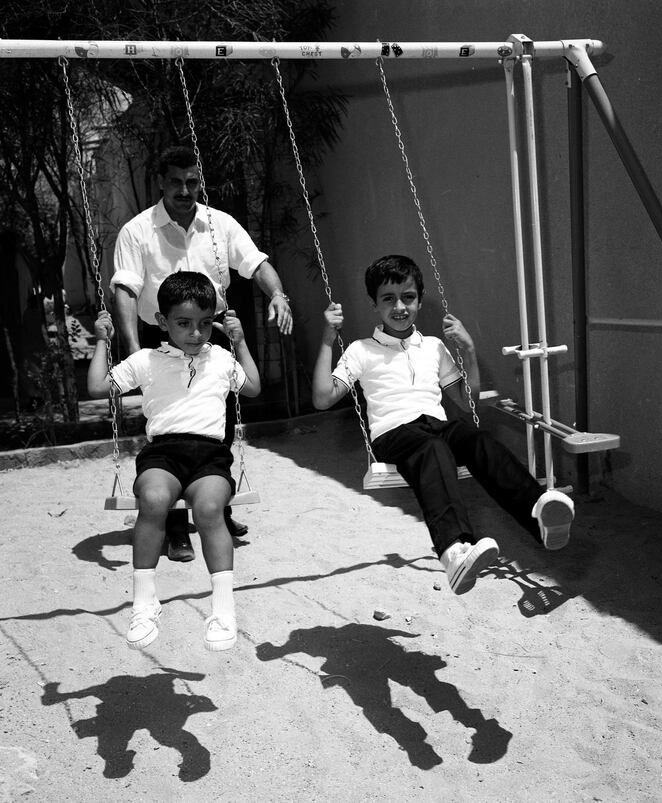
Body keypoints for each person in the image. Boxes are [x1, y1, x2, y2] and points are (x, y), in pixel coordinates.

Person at [312, 254, 575, 595]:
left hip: (436, 423)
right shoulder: (362, 351)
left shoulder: (434, 347)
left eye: (408, 297)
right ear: (374, 305)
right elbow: (322, 398)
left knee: (476, 439)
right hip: (394, 433)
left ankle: (538, 511)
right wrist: (326, 340)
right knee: (432, 449)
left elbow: (467, 402)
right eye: (388, 299)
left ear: (419, 300)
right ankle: (454, 551)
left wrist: (467, 349)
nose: (400, 307)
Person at [110, 144, 292, 562]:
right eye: (176, 182)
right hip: (163, 341)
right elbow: (124, 289)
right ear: (161, 182)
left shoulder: (219, 224)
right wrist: (136, 351)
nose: (185, 190)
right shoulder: (138, 231)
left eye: (192, 182)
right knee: (170, 428)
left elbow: (256, 263)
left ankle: (217, 509)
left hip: (213, 337)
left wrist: (278, 294)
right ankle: (175, 529)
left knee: (218, 426)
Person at [88, 272, 261, 651]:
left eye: (204, 324)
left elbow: (252, 387)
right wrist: (103, 342)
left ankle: (223, 607)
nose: (196, 334)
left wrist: (241, 342)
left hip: (210, 456)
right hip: (163, 454)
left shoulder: (221, 358)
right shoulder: (147, 360)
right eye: (184, 324)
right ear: (163, 322)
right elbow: (99, 388)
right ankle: (145, 602)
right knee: (152, 501)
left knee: (211, 508)